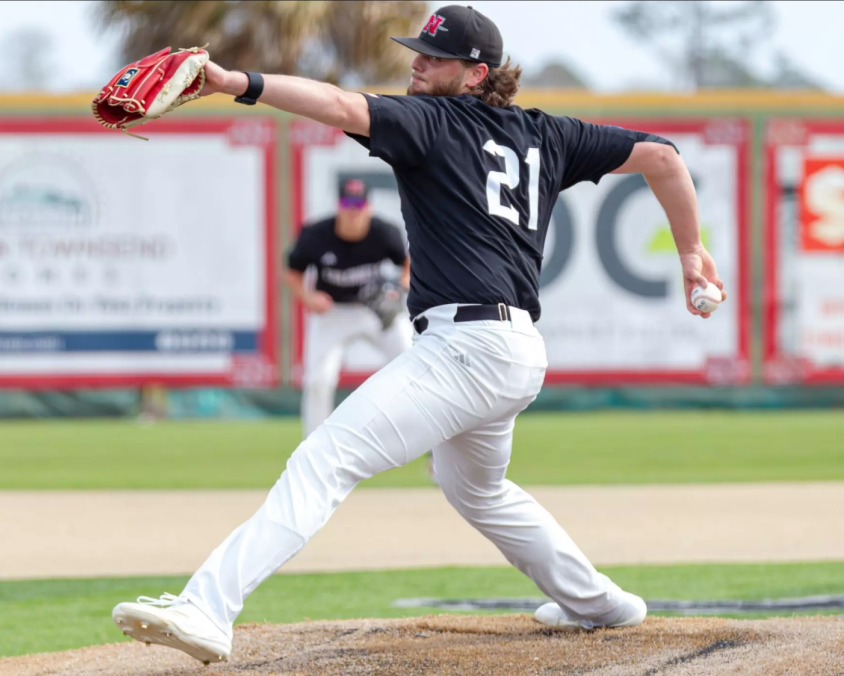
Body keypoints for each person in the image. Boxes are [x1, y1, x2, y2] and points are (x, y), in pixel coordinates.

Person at [111, 5, 727, 666]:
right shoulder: (547, 135)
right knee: (478, 490)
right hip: (514, 352)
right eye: (419, 52)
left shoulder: (431, 121)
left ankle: (208, 607)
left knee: (324, 461)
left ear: (475, 73)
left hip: (464, 349)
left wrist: (237, 82)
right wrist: (691, 253)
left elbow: (341, 107)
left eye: (434, 57)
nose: (417, 63)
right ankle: (600, 604)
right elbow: (663, 158)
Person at [287, 177, 412, 438]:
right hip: (333, 312)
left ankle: (432, 445)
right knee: (318, 381)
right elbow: (292, 272)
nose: (353, 210)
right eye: (348, 203)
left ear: (369, 207)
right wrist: (308, 297)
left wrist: (399, 289)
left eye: (359, 203)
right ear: (339, 206)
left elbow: (408, 265)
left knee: (414, 364)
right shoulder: (316, 234)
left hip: (375, 310)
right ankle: (314, 447)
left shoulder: (384, 232)